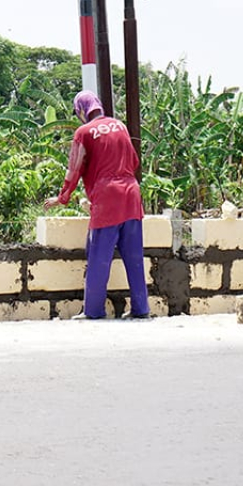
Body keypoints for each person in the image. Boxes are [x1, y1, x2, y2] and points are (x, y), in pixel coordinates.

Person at [44, 90, 150, 320]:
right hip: (131, 195)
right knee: (134, 258)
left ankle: (93, 311)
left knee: (98, 258)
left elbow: (74, 168)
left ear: (82, 110)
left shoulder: (84, 133)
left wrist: (62, 197)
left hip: (107, 198)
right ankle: (141, 309)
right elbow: (134, 161)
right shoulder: (120, 126)